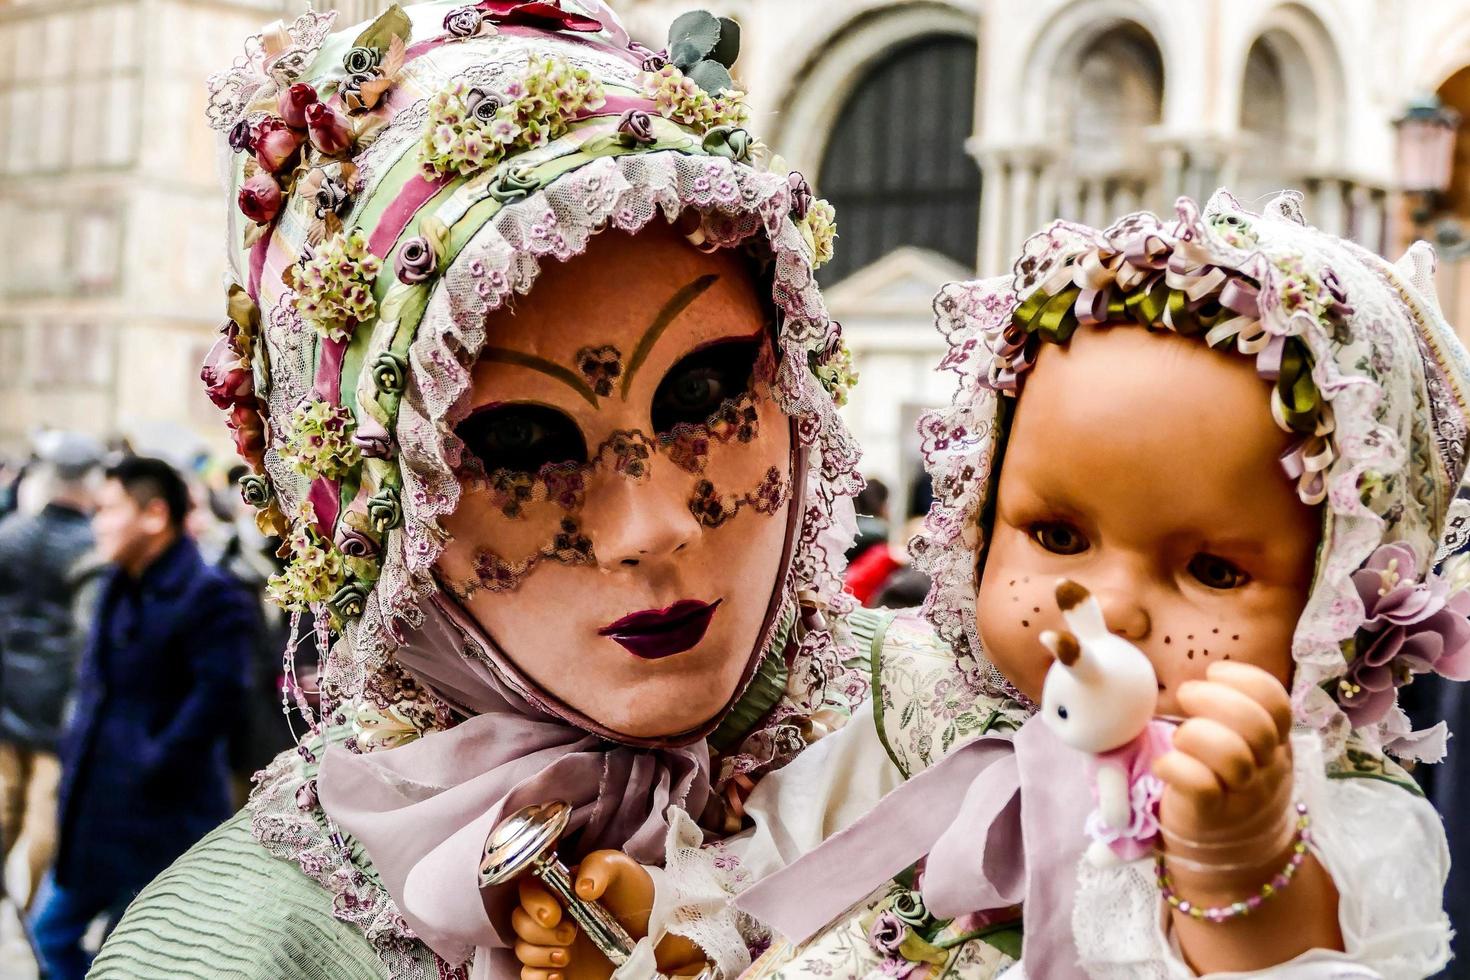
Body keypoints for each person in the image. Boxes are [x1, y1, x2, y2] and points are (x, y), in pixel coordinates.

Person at [92, 4, 882, 978]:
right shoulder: (250, 943)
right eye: (516, 444)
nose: (653, 524)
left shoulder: (970, 736)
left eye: (706, 391)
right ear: (376, 510)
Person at [737, 193, 1464, 977]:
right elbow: (785, 845)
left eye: (1213, 571)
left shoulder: (1324, 808)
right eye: (1058, 536)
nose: (1110, 607)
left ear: (1345, 603)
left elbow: (1311, 959)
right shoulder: (937, 716)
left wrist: (1237, 862)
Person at [31, 456, 255, 979]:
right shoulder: (117, 583)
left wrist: (154, 759)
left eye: (109, 509)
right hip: (94, 806)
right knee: (51, 936)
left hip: (161, 817)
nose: (97, 522)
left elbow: (220, 696)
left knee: (142, 953)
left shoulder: (211, 595)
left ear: (155, 515)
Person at [0, 431, 100, 910]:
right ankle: (28, 905)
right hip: (59, 693)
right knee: (45, 806)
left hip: (8, 682)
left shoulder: (11, 532)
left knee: (5, 795)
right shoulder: (92, 548)